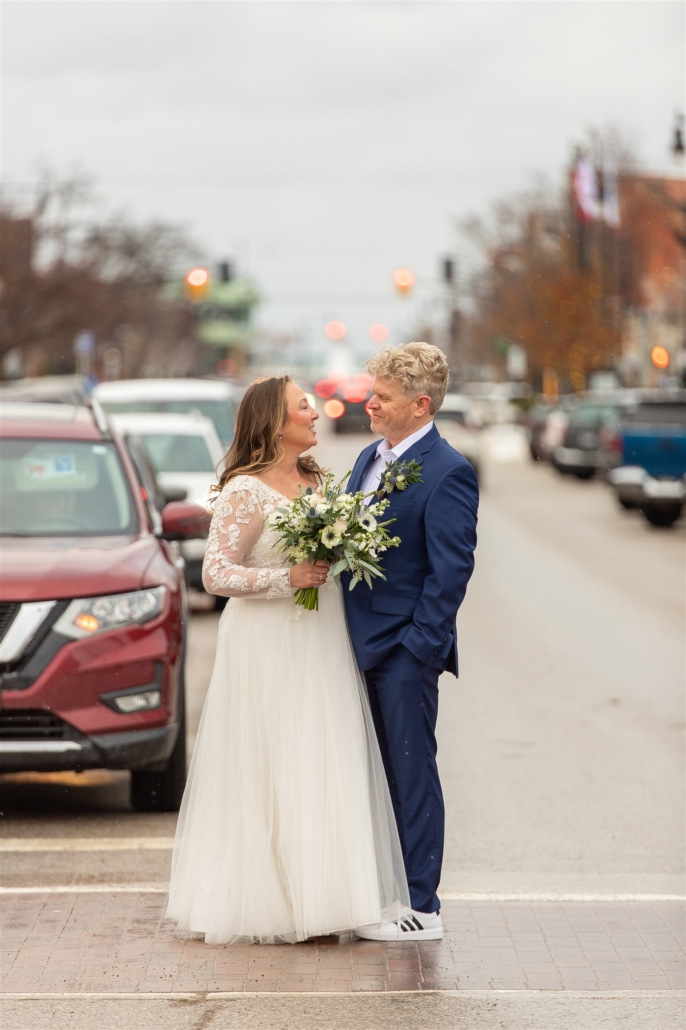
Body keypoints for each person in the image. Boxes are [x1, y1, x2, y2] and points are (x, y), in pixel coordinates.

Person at [166, 375, 409, 944]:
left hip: (321, 637)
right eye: (305, 406)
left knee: (322, 751)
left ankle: (326, 895)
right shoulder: (244, 491)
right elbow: (214, 574)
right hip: (267, 642)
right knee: (274, 756)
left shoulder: (319, 482)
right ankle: (274, 897)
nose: (316, 413)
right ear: (276, 423)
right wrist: (286, 578)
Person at [344, 342, 479, 942]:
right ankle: (379, 891)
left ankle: (422, 906)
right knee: (368, 773)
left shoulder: (449, 470)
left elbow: (451, 572)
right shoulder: (368, 458)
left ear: (420, 404)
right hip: (353, 642)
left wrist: (419, 647)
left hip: (402, 650)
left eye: (383, 397)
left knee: (410, 773)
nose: (369, 403)